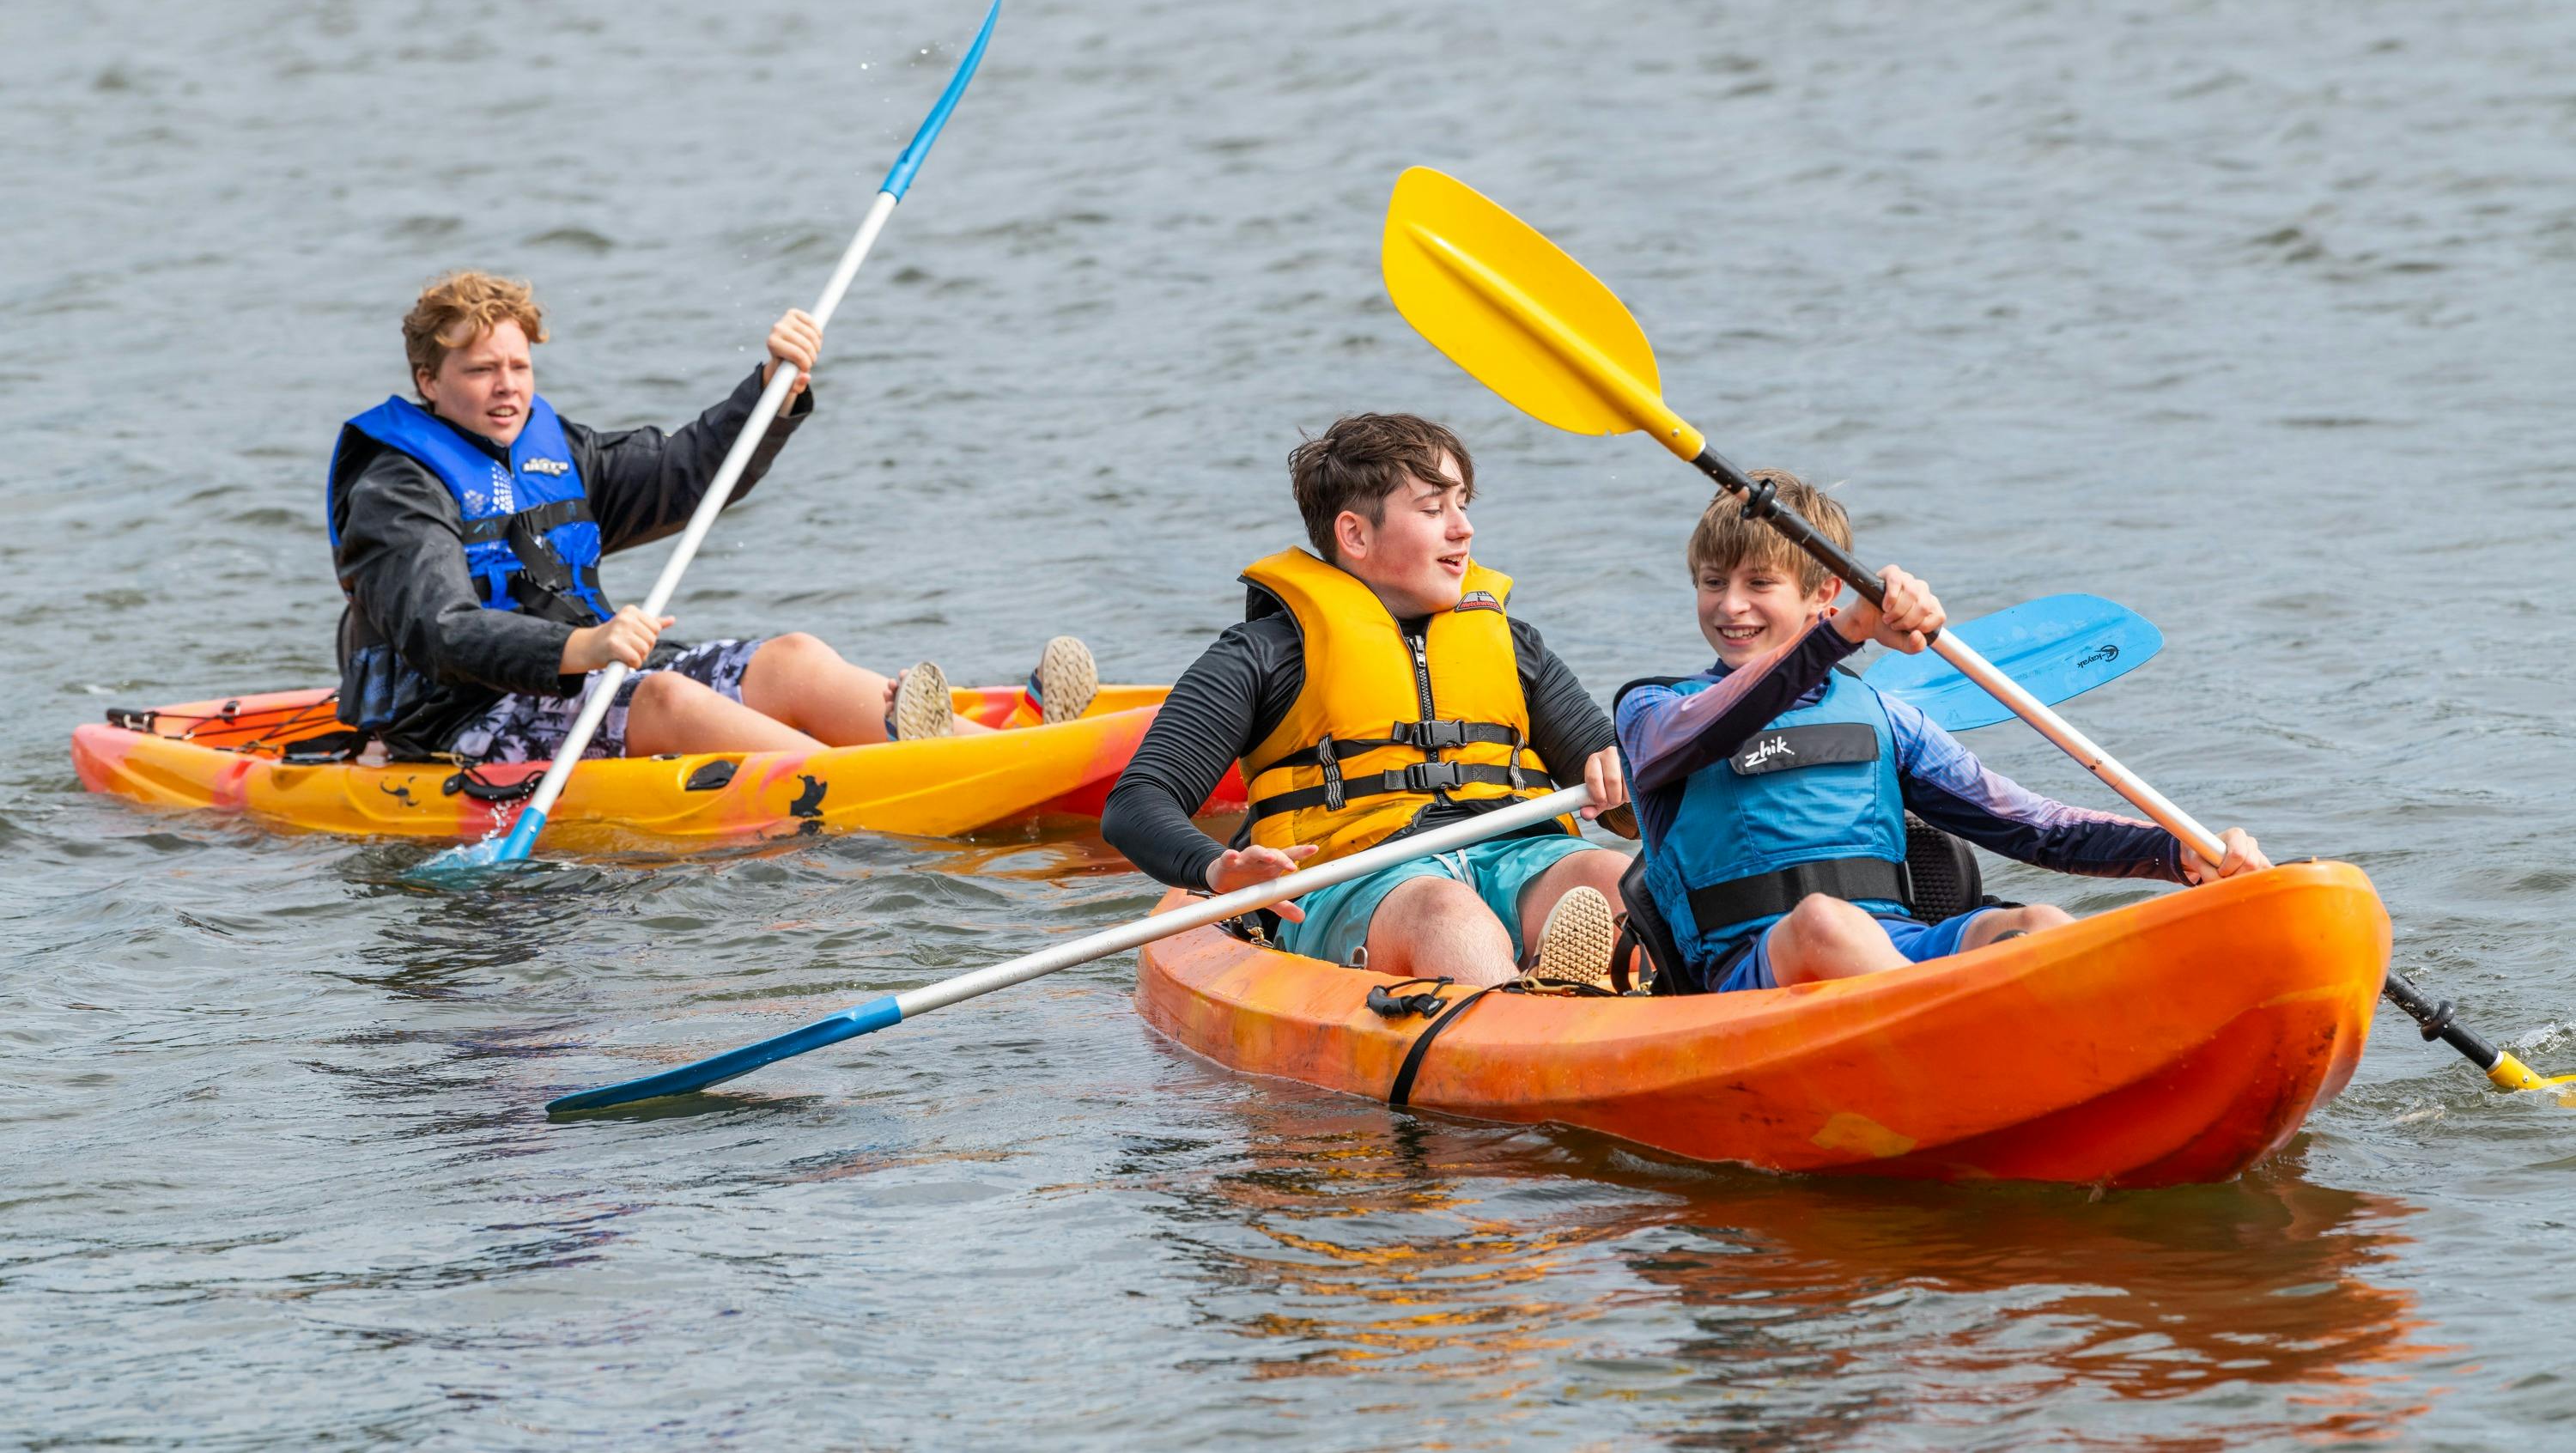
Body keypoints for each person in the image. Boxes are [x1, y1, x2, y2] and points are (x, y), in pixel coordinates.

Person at [325, 270, 1095, 763]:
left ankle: (1001, 751)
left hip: (587, 677)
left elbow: (685, 471)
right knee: (666, 698)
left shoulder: (554, 451)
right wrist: (582, 644)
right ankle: (898, 775)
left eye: (519, 366)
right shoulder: (395, 489)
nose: (507, 388)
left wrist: (771, 391)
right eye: (480, 369)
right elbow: (440, 629)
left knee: (792, 654)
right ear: (429, 380)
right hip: (458, 719)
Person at [1614, 470, 2270, 993]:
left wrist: (2181, 852)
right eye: (1712, 583)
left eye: (1759, 583)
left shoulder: (1884, 717)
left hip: (1896, 950)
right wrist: (1846, 633)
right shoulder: (1652, 711)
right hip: (1752, 973)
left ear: (1825, 592)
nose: (1730, 605)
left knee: (2039, 923)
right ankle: (1967, 1038)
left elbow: (2037, 826)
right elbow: (1715, 724)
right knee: (1821, 922)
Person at [1102, 413, 1632, 988]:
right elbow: (1137, 801)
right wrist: (1214, 868)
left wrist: (1625, 781)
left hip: (1517, 858)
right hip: (1359, 881)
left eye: (1463, 503)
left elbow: (1620, 805)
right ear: (1355, 534)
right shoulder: (1264, 654)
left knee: (1614, 878)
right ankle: (1529, 1032)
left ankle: (1594, 996)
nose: (1464, 529)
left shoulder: (1512, 643)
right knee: (1447, 913)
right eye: (1434, 509)